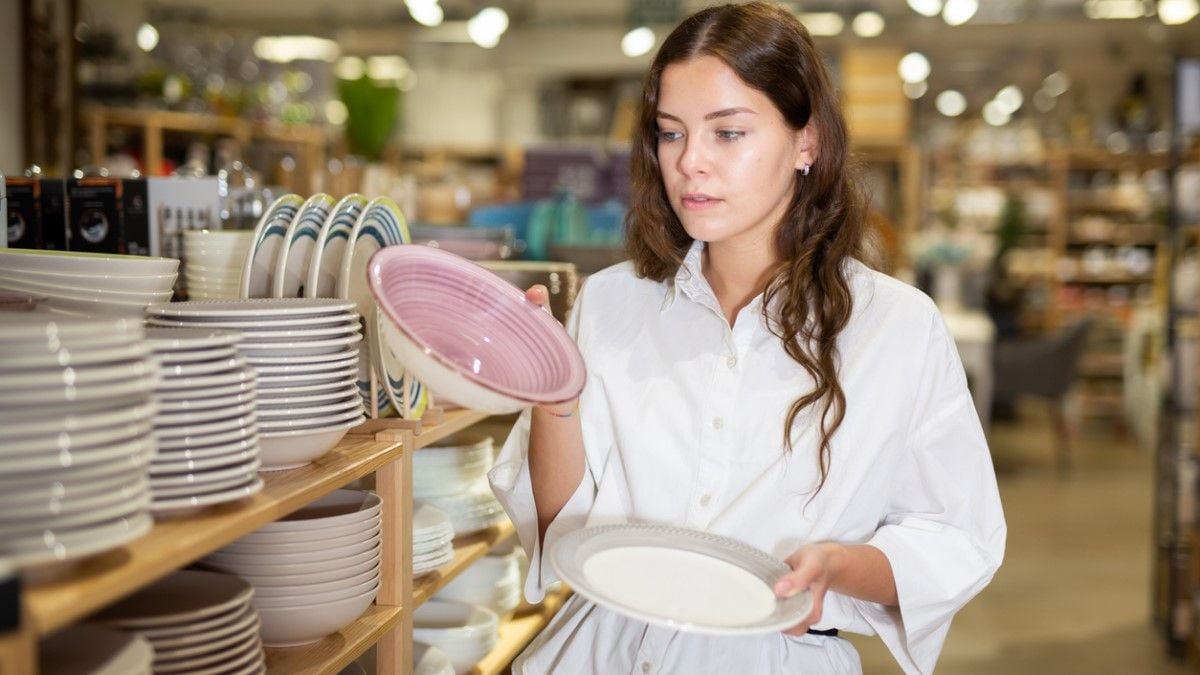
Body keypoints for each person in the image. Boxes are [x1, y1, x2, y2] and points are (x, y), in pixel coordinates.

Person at [487, 3, 1006, 673]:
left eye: (727, 133)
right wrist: (552, 398)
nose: (690, 163)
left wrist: (839, 569)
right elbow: (565, 533)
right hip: (603, 653)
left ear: (806, 142)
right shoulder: (612, 303)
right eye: (671, 134)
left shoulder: (897, 329)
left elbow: (955, 535)